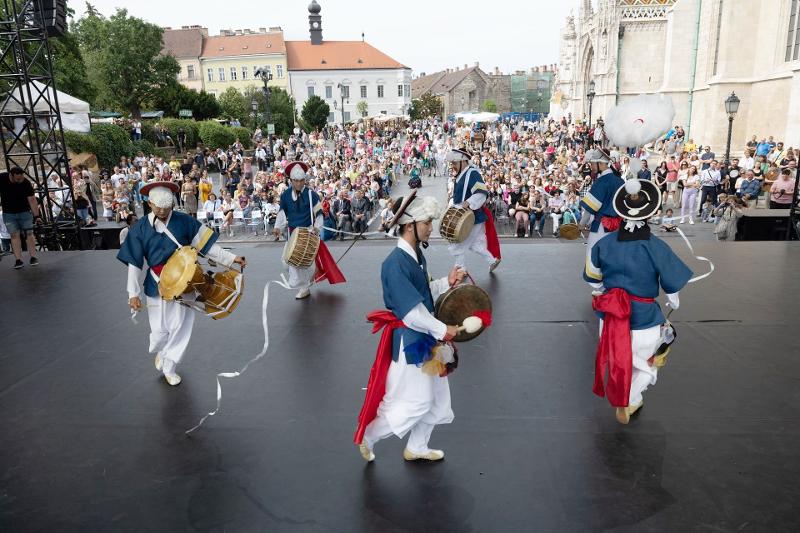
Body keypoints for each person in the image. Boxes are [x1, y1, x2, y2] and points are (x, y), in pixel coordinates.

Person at [354, 191, 464, 462]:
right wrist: (443, 330)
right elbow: (412, 311)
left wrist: (445, 283)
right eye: (426, 221)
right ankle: (369, 435)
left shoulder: (415, 256)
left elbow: (423, 293)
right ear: (410, 224)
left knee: (437, 399)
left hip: (424, 336)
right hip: (410, 340)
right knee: (415, 402)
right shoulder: (394, 263)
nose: (430, 227)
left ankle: (417, 446)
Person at [116, 181, 246, 386]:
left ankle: (170, 365)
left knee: (180, 327)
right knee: (159, 332)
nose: (162, 211)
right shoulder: (139, 229)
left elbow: (207, 246)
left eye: (166, 207)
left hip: (185, 282)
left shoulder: (184, 221)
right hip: (156, 284)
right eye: (158, 206)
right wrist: (133, 293)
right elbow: (134, 263)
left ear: (172, 205)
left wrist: (230, 258)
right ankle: (162, 350)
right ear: (149, 204)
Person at [586, 178, 692, 424]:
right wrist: (674, 300)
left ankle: (627, 398)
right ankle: (631, 398)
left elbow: (593, 280)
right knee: (646, 360)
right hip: (644, 316)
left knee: (619, 357)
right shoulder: (656, 246)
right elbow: (672, 286)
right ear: (650, 211)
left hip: (611, 315)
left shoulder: (603, 244)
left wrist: (607, 291)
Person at [273, 161, 346, 299]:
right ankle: (310, 277)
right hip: (292, 233)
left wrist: (317, 228)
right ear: (291, 180)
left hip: (307, 233)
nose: (299, 184)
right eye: (296, 181)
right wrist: (278, 227)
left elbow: (319, 214)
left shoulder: (312, 195)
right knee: (286, 262)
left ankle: (304, 287)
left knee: (303, 263)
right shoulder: (285, 196)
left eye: (302, 181)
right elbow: (282, 213)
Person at [446, 148, 501, 272]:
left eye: (454, 163)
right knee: (475, 245)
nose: (453, 166)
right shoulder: (462, 174)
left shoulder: (472, 173)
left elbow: (481, 193)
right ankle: (492, 260)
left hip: (472, 218)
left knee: (457, 244)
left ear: (463, 161)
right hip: (468, 217)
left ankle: (461, 269)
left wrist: (468, 203)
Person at [579, 148, 624, 285]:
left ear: (601, 163)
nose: (591, 166)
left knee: (595, 255)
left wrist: (581, 224)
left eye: (593, 163)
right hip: (618, 227)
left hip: (601, 227)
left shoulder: (601, 182)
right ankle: (613, 285)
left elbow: (590, 209)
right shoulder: (620, 181)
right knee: (614, 256)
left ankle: (600, 286)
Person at [0, 168, 41, 269]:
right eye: (17, 179)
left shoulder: (25, 182)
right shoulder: (1, 179)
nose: (20, 181)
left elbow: (32, 199)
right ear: (11, 175)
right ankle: (18, 260)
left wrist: (37, 216)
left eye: (21, 178)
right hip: (9, 213)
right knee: (14, 235)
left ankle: (33, 257)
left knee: (29, 233)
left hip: (25, 212)